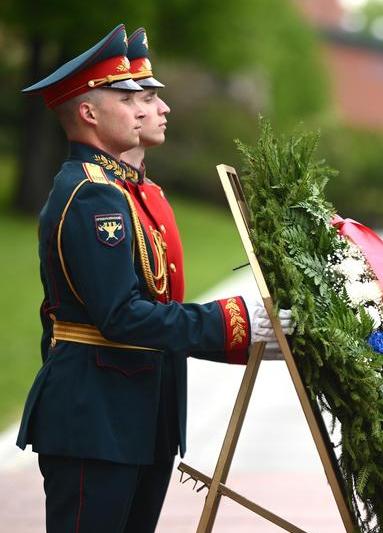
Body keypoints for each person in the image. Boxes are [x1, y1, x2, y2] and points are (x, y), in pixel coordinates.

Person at [16, 24, 286, 532]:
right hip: (95, 418)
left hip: (137, 417)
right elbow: (122, 315)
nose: (153, 107)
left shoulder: (126, 191)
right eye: (130, 97)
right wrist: (234, 321)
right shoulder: (91, 196)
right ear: (90, 113)